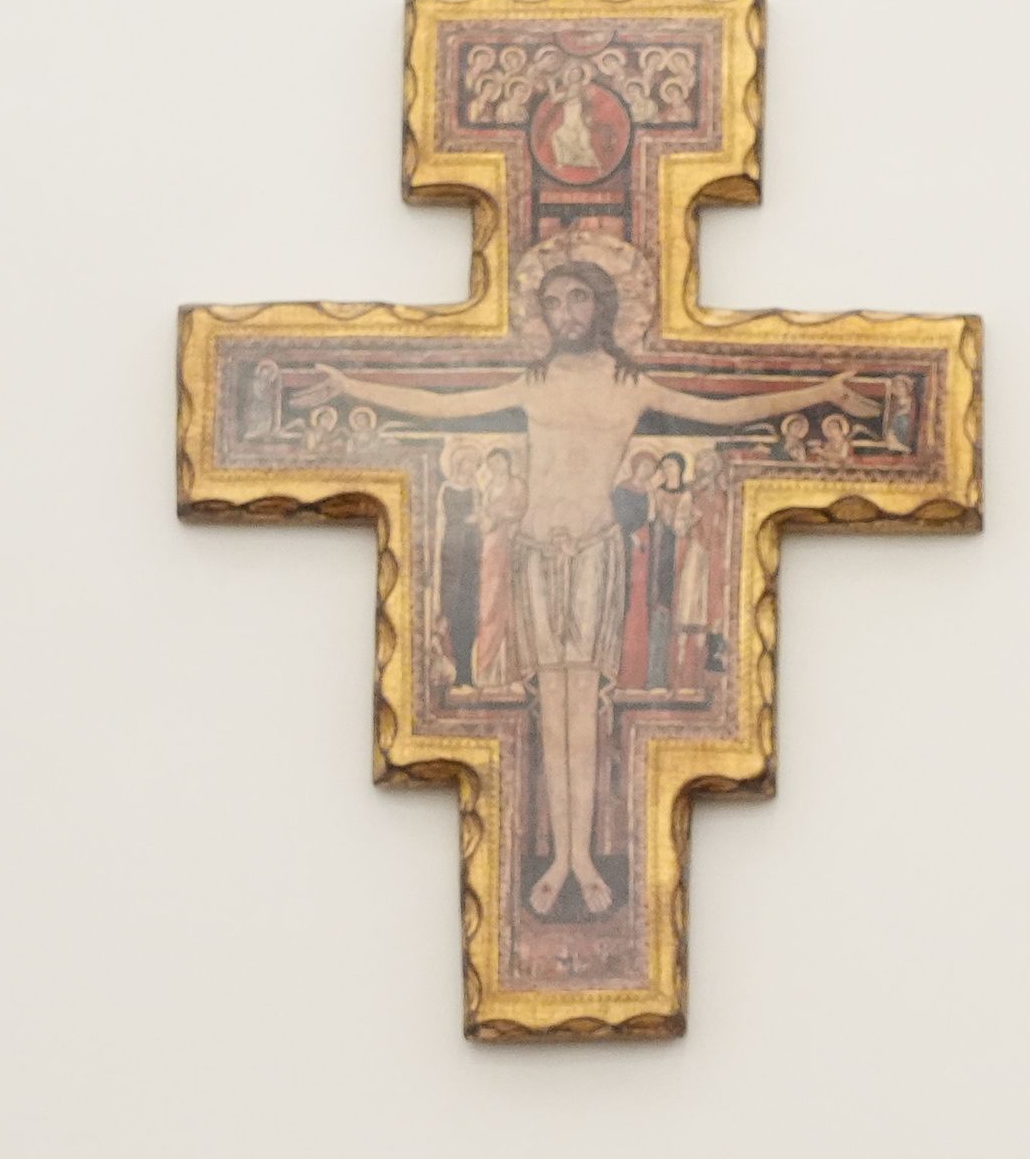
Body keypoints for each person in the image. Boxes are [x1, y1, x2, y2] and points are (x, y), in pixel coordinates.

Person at [326, 260, 874, 916]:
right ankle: (560, 852)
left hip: (593, 550)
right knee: (549, 705)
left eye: (579, 299)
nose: (566, 313)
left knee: (580, 709)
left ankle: (577, 855)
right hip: (532, 552)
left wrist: (820, 392)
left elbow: (725, 407)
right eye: (554, 302)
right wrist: (350, 383)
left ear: (602, 307)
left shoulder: (628, 385)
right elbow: (445, 404)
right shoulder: (531, 385)